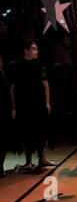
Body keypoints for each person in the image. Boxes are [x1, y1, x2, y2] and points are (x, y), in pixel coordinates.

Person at [9, 40, 56, 169]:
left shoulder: (40, 65)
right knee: (26, 131)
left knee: (42, 129)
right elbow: (12, 87)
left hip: (38, 102)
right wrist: (13, 106)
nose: (37, 51)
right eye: (34, 49)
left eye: (37, 49)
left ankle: (43, 158)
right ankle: (28, 161)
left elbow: (46, 85)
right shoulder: (17, 65)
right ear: (26, 50)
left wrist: (47, 103)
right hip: (23, 103)